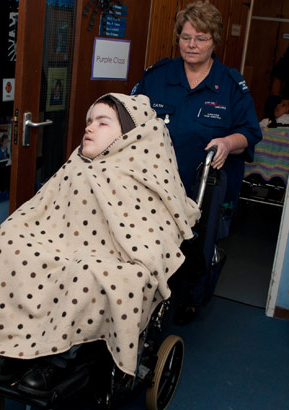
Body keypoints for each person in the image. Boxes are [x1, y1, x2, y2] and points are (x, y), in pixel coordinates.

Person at [0, 93, 200, 396]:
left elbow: (153, 238)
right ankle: (8, 348)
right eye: (89, 121)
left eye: (102, 123)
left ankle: (66, 357)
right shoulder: (77, 165)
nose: (89, 128)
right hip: (59, 243)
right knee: (10, 245)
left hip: (109, 257)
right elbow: (40, 210)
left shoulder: (143, 176)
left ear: (130, 135)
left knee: (87, 271)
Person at [131, 1, 262, 324]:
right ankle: (147, 297)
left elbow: (250, 132)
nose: (192, 45)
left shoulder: (230, 85)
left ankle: (192, 300)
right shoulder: (158, 77)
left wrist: (227, 142)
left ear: (215, 41)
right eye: (186, 37)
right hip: (156, 184)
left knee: (200, 244)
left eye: (201, 38)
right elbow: (130, 119)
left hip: (206, 184)